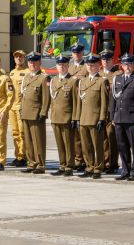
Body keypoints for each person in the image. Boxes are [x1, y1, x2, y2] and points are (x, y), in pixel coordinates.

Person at [110, 54, 134, 181]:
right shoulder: (118, 79)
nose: (127, 66)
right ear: (121, 65)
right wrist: (113, 117)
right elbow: (114, 100)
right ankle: (125, 171)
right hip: (119, 118)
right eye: (125, 64)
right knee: (122, 146)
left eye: (130, 64)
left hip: (133, 118)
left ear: (133, 65)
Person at [76, 53, 109, 179]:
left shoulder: (102, 81)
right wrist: (78, 117)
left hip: (95, 118)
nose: (90, 67)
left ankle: (98, 168)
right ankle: (89, 166)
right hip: (84, 118)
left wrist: (102, 118)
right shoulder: (82, 81)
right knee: (86, 145)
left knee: (97, 145)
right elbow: (79, 102)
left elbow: (104, 102)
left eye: (93, 65)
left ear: (98, 66)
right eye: (88, 65)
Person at [20, 52, 51, 174]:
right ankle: (31, 163)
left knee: (38, 140)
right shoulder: (26, 77)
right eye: (30, 62)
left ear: (39, 63)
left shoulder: (44, 78)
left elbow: (46, 97)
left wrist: (43, 113)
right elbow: (23, 95)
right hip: (26, 113)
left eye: (34, 62)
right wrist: (21, 109)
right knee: (28, 141)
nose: (32, 64)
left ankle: (40, 165)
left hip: (36, 114)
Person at [49, 55, 78, 176]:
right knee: (59, 143)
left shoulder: (73, 80)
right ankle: (62, 165)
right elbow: (52, 100)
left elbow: (76, 101)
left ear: (68, 66)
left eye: (64, 65)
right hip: (56, 116)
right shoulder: (54, 80)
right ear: (56, 66)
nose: (61, 67)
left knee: (68, 143)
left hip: (67, 117)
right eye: (59, 65)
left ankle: (69, 166)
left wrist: (75, 118)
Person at [99, 49, 121, 174]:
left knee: (112, 138)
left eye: (108, 59)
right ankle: (104, 162)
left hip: (112, 110)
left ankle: (113, 164)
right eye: (103, 60)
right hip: (100, 111)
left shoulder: (117, 74)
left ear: (112, 60)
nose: (105, 62)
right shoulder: (99, 73)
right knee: (102, 139)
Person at [8, 50, 29, 167]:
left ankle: (23, 156)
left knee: (22, 133)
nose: (18, 59)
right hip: (12, 107)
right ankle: (18, 155)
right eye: (16, 57)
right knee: (15, 133)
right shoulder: (11, 73)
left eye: (21, 57)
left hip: (22, 106)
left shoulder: (27, 72)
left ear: (24, 58)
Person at [69, 43, 88, 171]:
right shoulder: (69, 68)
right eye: (75, 53)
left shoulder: (87, 67)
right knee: (74, 134)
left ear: (82, 53)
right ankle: (77, 158)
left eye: (79, 52)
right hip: (70, 103)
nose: (77, 54)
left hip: (82, 102)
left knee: (83, 134)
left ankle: (85, 160)